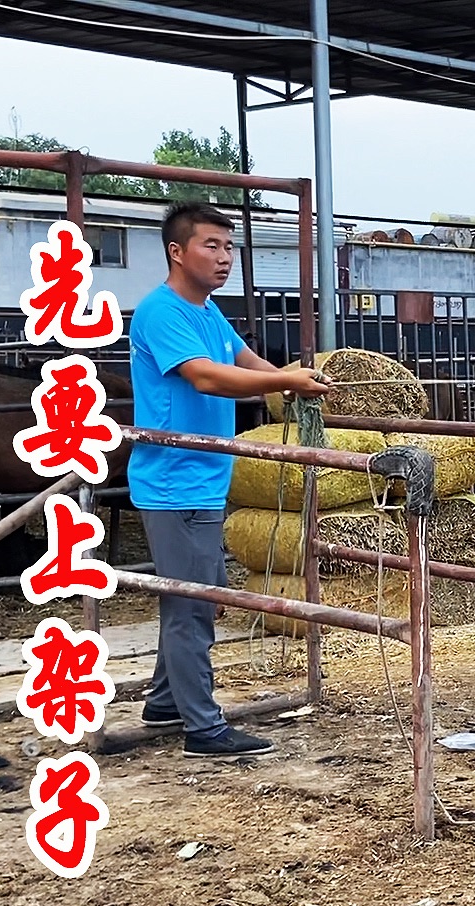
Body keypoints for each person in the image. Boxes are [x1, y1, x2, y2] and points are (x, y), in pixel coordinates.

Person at [129, 202, 331, 759]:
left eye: (228, 248)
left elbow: (245, 361)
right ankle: (203, 728)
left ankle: (167, 702)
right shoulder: (162, 312)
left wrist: (294, 380)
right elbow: (206, 377)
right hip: (176, 481)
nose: (224, 259)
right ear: (177, 251)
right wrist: (284, 380)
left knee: (197, 599)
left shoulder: (207, 311)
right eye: (211, 246)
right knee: (191, 605)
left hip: (202, 479)